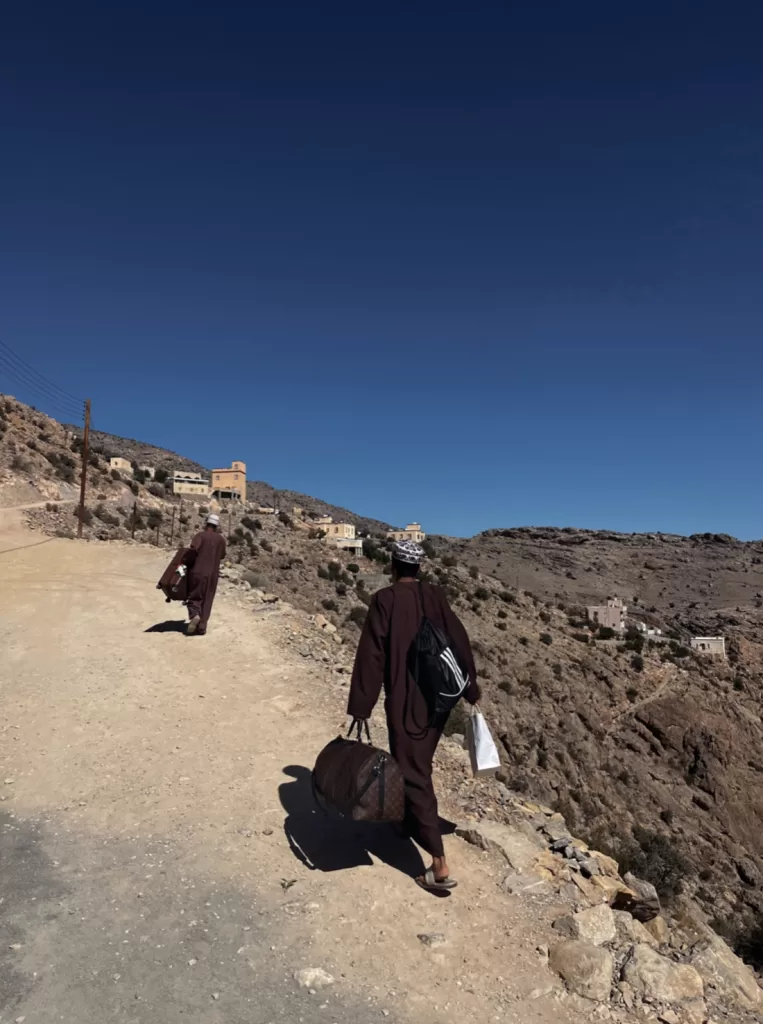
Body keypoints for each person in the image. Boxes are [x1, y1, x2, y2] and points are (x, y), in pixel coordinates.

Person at [347, 539, 480, 892]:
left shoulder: (385, 600)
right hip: (440, 701)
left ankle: (437, 862)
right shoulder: (434, 595)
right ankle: (406, 821)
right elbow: (459, 639)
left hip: (406, 705)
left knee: (414, 772)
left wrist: (361, 706)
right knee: (418, 763)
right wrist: (471, 687)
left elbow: (372, 656)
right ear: (419, 567)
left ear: (393, 565)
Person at [184, 513, 227, 636]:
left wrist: (185, 562)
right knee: (208, 599)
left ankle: (195, 615)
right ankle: (202, 626)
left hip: (198, 571)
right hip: (213, 575)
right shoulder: (221, 540)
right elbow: (223, 555)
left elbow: (193, 551)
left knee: (194, 595)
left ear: (206, 523)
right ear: (217, 526)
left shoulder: (200, 536)